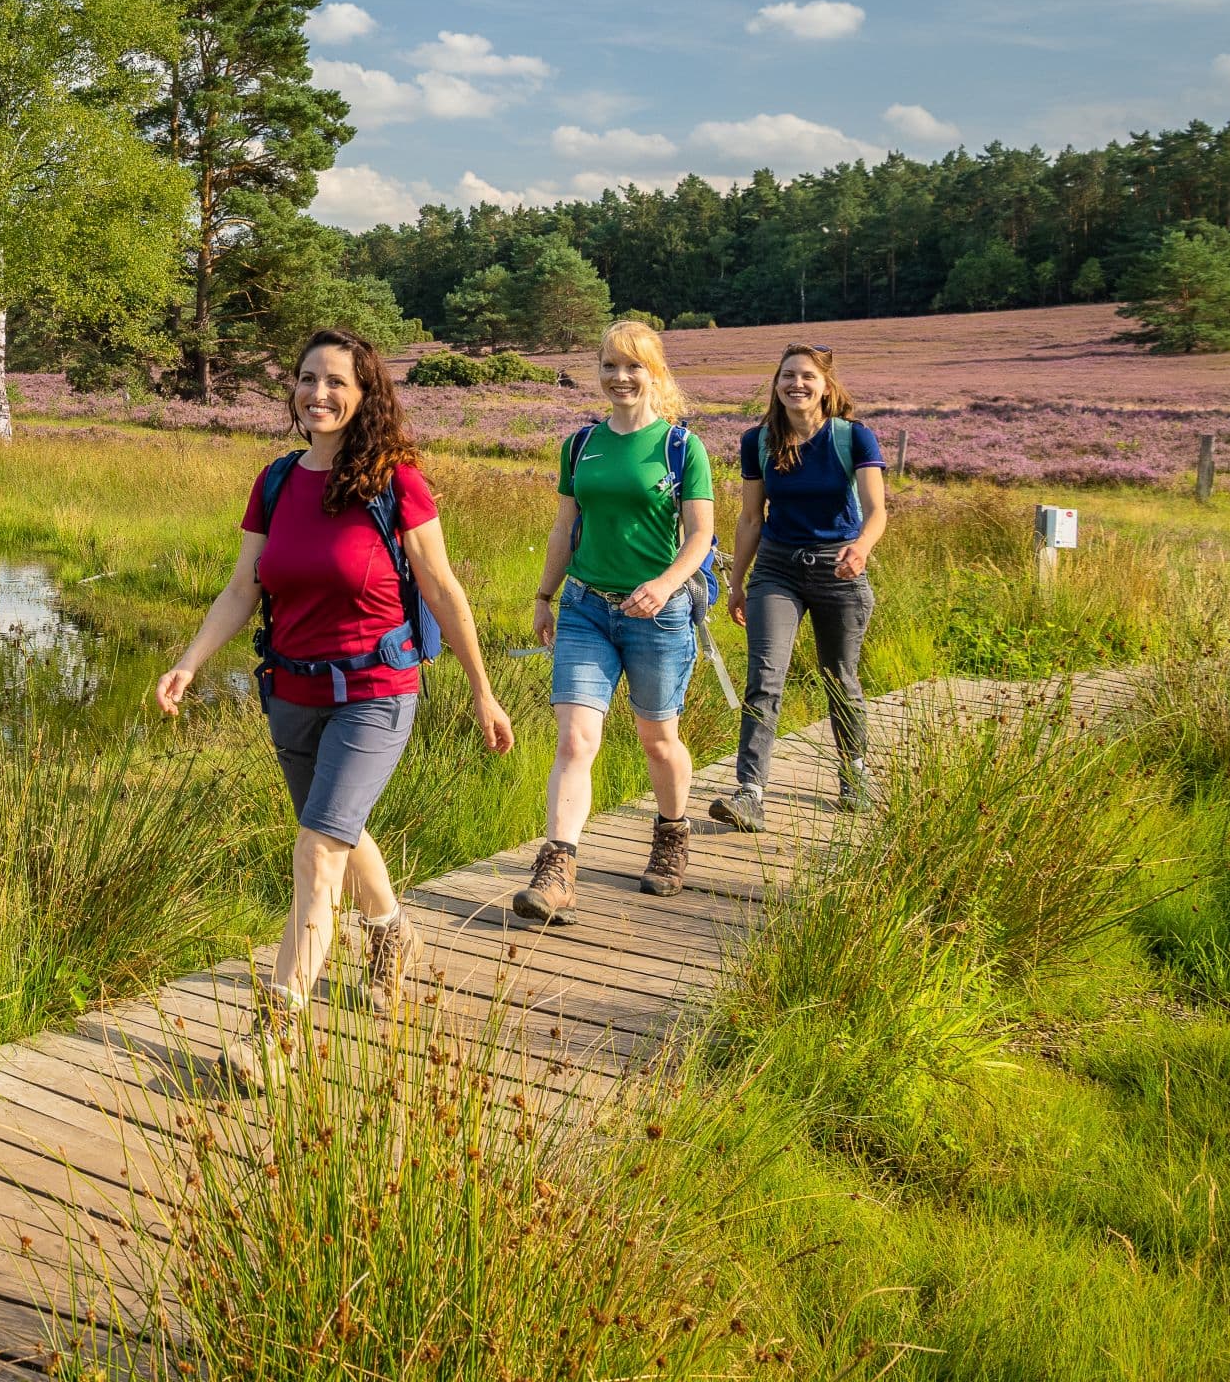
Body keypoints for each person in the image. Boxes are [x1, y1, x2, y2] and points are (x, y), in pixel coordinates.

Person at [157, 328, 513, 1033]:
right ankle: (390, 933)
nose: (319, 393)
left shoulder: (396, 481)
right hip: (291, 693)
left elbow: (442, 589)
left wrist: (482, 689)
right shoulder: (278, 480)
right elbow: (242, 589)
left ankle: (277, 1026)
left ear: (364, 394)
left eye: (336, 382)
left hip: (378, 690)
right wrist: (189, 661)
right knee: (337, 830)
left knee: (318, 849)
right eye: (308, 378)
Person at [513, 321, 717, 924]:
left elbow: (701, 534)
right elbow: (563, 526)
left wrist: (662, 585)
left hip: (657, 615)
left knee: (658, 739)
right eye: (609, 366)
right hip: (585, 608)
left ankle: (672, 833)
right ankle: (557, 868)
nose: (620, 378)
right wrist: (544, 595)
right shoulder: (580, 445)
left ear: (655, 372)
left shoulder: (682, 447)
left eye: (633, 366)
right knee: (575, 738)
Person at [714, 342, 887, 826]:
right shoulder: (759, 441)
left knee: (840, 678)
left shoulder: (854, 438)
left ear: (826, 385)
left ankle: (853, 774)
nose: (796, 384)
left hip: (839, 567)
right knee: (764, 678)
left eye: (807, 376)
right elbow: (751, 518)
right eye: (787, 375)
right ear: (775, 385)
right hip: (777, 568)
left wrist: (861, 548)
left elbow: (876, 513)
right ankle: (750, 792)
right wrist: (738, 583)